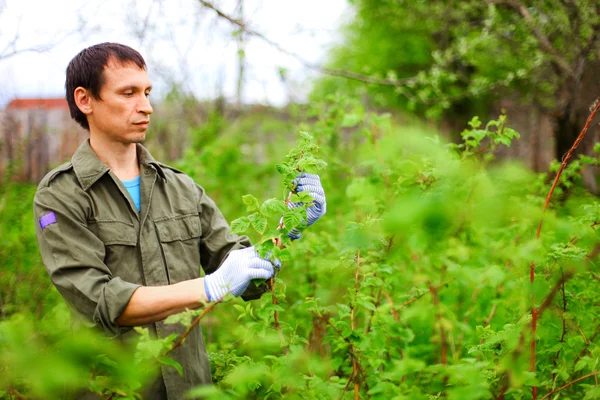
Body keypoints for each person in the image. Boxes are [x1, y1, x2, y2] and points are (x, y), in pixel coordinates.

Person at [33, 42, 326, 399]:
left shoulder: (180, 187)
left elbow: (240, 269)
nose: (146, 106)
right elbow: (99, 300)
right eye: (128, 93)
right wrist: (209, 287)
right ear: (85, 100)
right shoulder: (60, 195)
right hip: (115, 389)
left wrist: (290, 224)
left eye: (147, 92)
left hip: (192, 389)